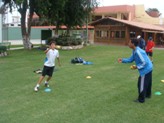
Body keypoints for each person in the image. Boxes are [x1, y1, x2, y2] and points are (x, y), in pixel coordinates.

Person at [118, 38, 153, 103]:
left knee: (141, 84)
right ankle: (148, 95)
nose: (128, 44)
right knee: (147, 82)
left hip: (146, 69)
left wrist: (137, 67)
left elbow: (144, 63)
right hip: (149, 68)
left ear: (133, 44)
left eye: (129, 42)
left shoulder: (138, 52)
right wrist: (122, 60)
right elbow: (131, 59)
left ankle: (141, 99)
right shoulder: (134, 50)